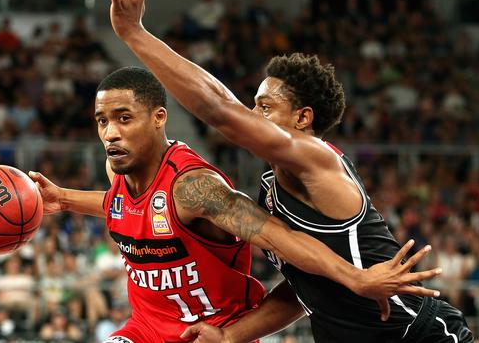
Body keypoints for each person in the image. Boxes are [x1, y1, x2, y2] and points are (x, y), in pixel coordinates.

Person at [102, 0, 473, 342]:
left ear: (302, 118)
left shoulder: (317, 160)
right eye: (253, 105)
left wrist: (135, 33)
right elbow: (301, 289)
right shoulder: (273, 190)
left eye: (264, 107)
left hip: (413, 333)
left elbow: (219, 110)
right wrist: (230, 336)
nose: (252, 114)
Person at [29, 66, 439, 342]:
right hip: (146, 329)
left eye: (123, 118)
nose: (110, 133)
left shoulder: (196, 187)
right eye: (102, 121)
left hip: (209, 331)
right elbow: (130, 209)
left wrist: (355, 277)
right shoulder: (118, 171)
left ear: (157, 117)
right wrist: (63, 198)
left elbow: (277, 237)